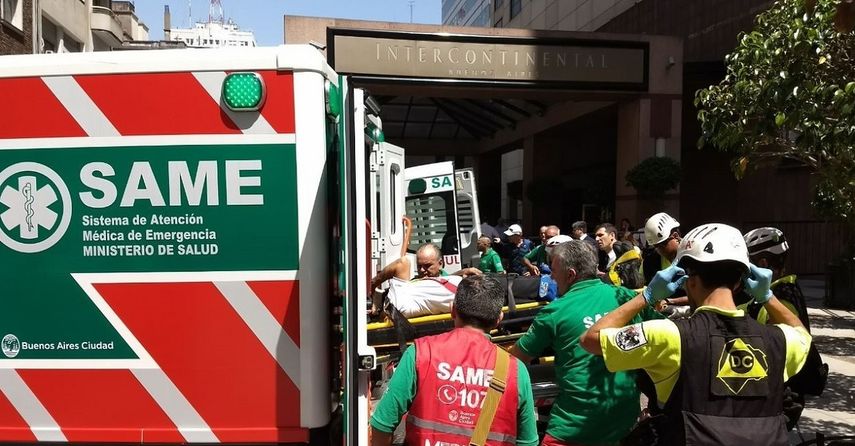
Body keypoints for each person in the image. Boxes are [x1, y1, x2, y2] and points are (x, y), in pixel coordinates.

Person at [580, 223, 812, 445]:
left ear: (690, 281)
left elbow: (590, 339)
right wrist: (767, 297)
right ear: (739, 282)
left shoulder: (669, 336)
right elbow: (802, 334)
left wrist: (647, 296)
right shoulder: (779, 341)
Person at [370, 275, 539, 446]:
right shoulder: (515, 370)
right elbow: (528, 442)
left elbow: (382, 423)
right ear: (498, 319)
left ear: (452, 310)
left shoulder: (421, 353)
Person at [508, 240, 641, 445]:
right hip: (626, 422)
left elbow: (515, 360)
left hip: (574, 427)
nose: (551, 277)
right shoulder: (627, 298)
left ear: (570, 275)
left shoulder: (555, 312)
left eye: (553, 271)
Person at [742, 227, 828, 429]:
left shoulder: (781, 301)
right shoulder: (776, 290)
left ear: (763, 264)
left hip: (782, 401)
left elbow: (771, 354)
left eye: (746, 265)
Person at [371, 243, 481, 315]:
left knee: (403, 263)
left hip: (401, 308)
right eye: (419, 266)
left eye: (427, 266)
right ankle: (373, 287)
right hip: (396, 305)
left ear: (440, 264)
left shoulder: (448, 280)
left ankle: (372, 286)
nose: (422, 270)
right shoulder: (416, 281)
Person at [641, 212, 681, 284]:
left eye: (662, 245)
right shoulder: (649, 262)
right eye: (656, 246)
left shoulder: (692, 258)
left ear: (675, 236)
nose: (659, 250)